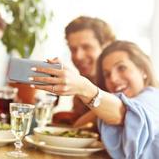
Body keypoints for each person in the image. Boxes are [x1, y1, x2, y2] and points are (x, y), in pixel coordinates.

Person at [30, 40, 159, 158]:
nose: (113, 79)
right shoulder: (120, 104)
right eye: (107, 74)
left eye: (122, 68)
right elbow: (77, 128)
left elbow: (123, 114)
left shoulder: (153, 97)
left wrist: (84, 87)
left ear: (143, 71)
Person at [59, 16, 115, 126]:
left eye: (86, 47)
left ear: (106, 47)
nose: (78, 56)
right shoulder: (84, 80)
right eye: (73, 49)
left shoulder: (120, 84)